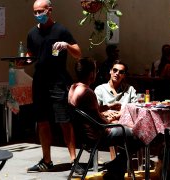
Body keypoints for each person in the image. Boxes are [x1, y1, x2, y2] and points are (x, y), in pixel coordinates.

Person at [26, 0, 82, 173]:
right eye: (35, 12)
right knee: (42, 121)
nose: (38, 15)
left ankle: (74, 161)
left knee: (64, 120)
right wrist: (22, 61)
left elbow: (78, 53)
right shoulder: (32, 33)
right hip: (40, 82)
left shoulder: (61, 30)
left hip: (57, 81)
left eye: (40, 11)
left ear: (49, 11)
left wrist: (67, 45)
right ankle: (46, 160)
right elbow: (30, 55)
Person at [68, 58, 142, 179]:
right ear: (91, 73)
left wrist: (107, 107)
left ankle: (115, 169)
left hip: (84, 135)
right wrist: (114, 122)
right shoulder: (88, 92)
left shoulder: (73, 88)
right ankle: (116, 168)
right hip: (98, 135)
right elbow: (100, 121)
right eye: (95, 71)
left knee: (131, 131)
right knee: (139, 134)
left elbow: (90, 111)